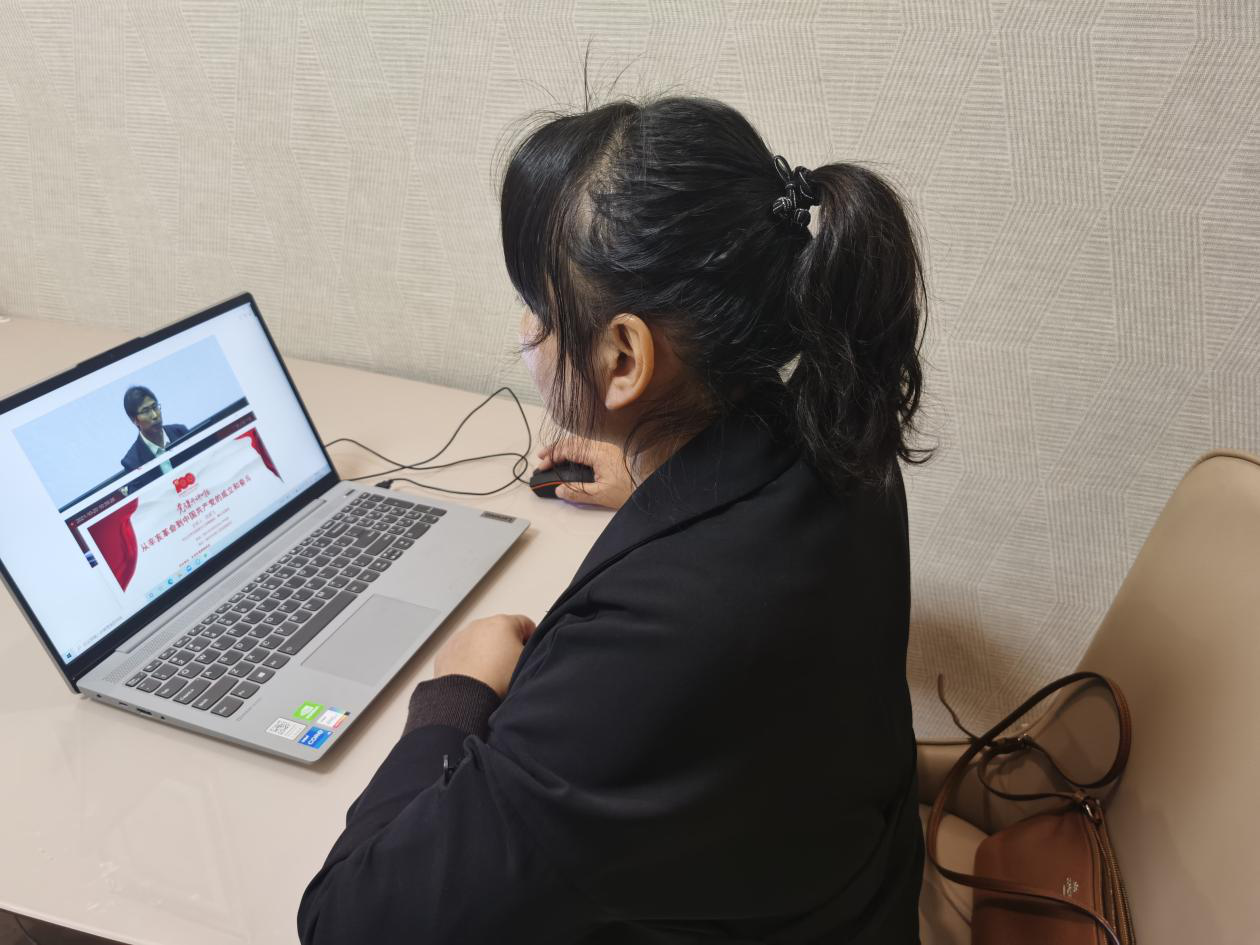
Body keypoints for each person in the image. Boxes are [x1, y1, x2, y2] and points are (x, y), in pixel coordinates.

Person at [298, 95, 935, 944]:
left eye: (538, 307)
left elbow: (347, 923)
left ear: (624, 357)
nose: (525, 330)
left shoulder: (650, 646)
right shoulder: (841, 436)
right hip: (844, 884)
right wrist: (652, 478)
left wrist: (458, 692)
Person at [119, 386, 188, 474]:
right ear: (134, 420)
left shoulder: (180, 432)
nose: (155, 415)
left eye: (155, 407)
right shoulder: (132, 462)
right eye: (146, 411)